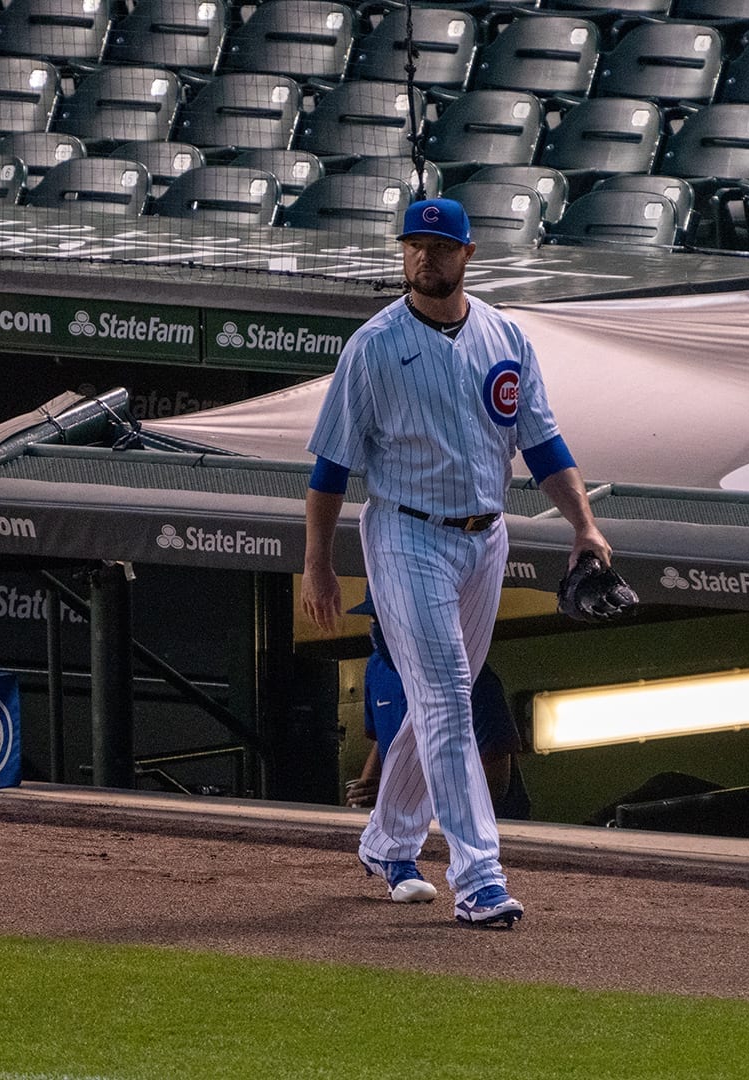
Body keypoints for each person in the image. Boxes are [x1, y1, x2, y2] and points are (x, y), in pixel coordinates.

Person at [301, 197, 611, 928]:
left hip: (486, 537)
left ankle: (387, 840)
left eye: (439, 247)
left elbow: (542, 445)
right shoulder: (373, 347)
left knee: (445, 694)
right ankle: (479, 877)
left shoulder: (504, 337)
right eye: (413, 245)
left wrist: (585, 525)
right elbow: (329, 469)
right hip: (407, 534)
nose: (424, 258)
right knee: (446, 699)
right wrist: (317, 563)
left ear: (466, 254)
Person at [345, 595, 530, 822]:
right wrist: (363, 802)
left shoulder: (471, 678)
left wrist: (410, 805)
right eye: (375, 619)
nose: (378, 628)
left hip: (480, 833)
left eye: (387, 618)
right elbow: (383, 742)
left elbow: (495, 785)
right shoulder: (377, 668)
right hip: (409, 826)